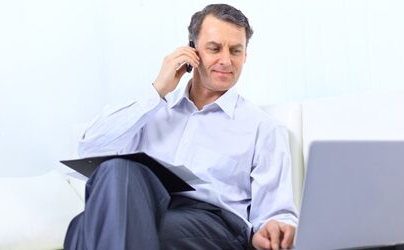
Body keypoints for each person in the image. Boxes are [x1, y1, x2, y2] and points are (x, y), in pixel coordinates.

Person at [64, 3, 298, 250]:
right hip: (145, 206)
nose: (226, 60)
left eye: (236, 51)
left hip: (213, 223)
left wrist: (272, 229)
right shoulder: (152, 111)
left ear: (245, 56)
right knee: (117, 170)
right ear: (191, 51)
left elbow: (275, 214)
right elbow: (88, 147)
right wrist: (157, 91)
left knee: (88, 227)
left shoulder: (263, 128)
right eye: (215, 48)